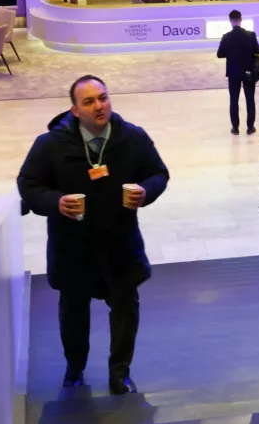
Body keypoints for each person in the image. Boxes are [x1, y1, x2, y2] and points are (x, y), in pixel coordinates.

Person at [17, 75, 170, 395]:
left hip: (120, 243)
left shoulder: (133, 137)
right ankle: (75, 367)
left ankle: (120, 373)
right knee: (73, 311)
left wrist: (146, 191)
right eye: (89, 101)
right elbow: (28, 185)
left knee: (126, 308)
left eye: (103, 98)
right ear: (74, 110)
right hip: (73, 246)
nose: (99, 106)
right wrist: (55, 202)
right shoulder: (50, 145)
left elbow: (159, 173)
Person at [217, 10, 259, 135]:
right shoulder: (251, 35)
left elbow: (219, 54)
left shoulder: (226, 37)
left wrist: (230, 53)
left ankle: (235, 128)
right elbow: (258, 50)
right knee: (250, 99)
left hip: (233, 72)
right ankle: (250, 127)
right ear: (241, 20)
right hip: (248, 71)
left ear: (230, 21)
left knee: (233, 100)